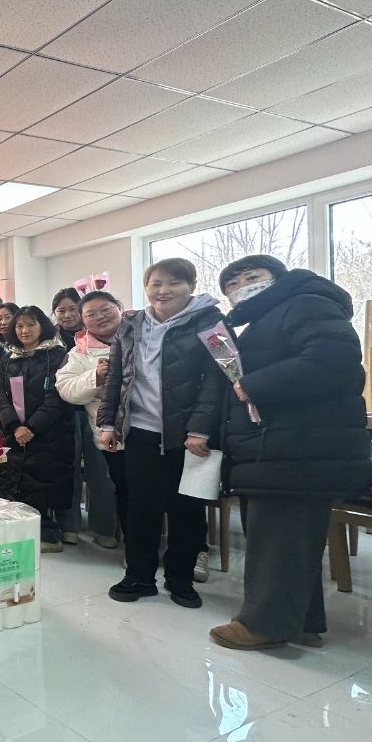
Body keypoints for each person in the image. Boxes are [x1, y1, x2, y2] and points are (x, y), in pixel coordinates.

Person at [209, 257, 371, 650]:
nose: (243, 286)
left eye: (253, 277)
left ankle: (264, 625)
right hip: (279, 445)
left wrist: (255, 385)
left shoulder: (306, 303)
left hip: (298, 445)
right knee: (288, 539)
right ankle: (301, 622)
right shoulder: (266, 317)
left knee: (279, 536)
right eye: (233, 283)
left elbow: (334, 361)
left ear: (278, 279)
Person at [97, 258, 224, 609]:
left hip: (189, 437)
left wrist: (200, 428)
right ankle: (139, 576)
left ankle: (180, 580)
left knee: (187, 511)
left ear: (191, 286)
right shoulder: (131, 324)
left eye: (173, 283)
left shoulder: (211, 321)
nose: (163, 290)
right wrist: (108, 423)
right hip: (141, 432)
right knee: (140, 508)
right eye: (155, 283)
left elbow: (218, 379)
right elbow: (116, 376)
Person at [0, 306, 74, 549]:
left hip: (48, 433)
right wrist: (14, 425)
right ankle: (22, 533)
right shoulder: (8, 357)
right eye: (19, 326)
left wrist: (31, 427)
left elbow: (56, 397)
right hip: (14, 432)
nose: (24, 330)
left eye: (30, 324)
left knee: (43, 482)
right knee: (14, 480)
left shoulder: (56, 355)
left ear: (42, 326)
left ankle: (48, 534)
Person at [55, 291, 127, 550]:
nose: (100, 317)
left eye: (105, 310)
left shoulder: (143, 337)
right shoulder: (79, 350)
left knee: (128, 487)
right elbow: (65, 387)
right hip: (100, 425)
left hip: (146, 429)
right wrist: (95, 377)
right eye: (91, 314)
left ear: (119, 308)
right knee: (103, 478)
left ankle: (117, 534)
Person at [51, 287, 99, 546]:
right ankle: (69, 525)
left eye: (72, 309)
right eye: (61, 310)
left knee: (99, 469)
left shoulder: (97, 337)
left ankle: (103, 528)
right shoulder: (50, 340)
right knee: (68, 468)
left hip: (96, 409)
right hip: (63, 411)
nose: (67, 315)